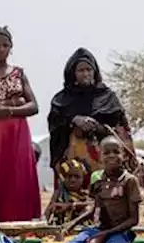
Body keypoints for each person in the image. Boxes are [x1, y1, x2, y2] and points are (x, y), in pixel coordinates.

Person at [47, 138, 141, 243]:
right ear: (100, 156)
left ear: (124, 155)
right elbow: (94, 209)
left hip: (120, 233)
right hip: (98, 229)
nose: (111, 156)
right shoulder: (98, 181)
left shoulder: (129, 181)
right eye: (107, 153)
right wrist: (71, 225)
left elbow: (134, 220)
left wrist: (105, 234)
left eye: (116, 152)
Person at [0, 26, 41, 224]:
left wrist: (9, 110)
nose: (1, 49)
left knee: (20, 175)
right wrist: (17, 102)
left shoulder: (19, 73)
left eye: (5, 45)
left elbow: (34, 106)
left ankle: (23, 223)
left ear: (11, 47)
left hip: (18, 132)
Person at [47, 48, 134, 177]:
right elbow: (55, 126)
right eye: (81, 70)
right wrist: (73, 120)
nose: (86, 73)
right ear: (73, 73)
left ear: (95, 71)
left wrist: (98, 126)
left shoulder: (108, 97)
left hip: (105, 159)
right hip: (73, 166)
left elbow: (122, 128)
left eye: (89, 69)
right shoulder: (61, 100)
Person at [44, 158, 92, 228]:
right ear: (63, 178)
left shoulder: (86, 195)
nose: (73, 180)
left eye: (77, 177)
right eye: (69, 176)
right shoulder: (59, 194)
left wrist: (70, 206)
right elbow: (47, 214)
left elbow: (94, 205)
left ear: (83, 178)